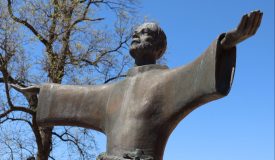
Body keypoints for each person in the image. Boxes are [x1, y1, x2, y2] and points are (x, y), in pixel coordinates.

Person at [11, 11, 262, 160]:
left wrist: (227, 42)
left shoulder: (168, 82)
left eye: (145, 34)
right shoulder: (110, 92)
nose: (136, 35)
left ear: (159, 48)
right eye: (135, 32)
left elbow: (203, 67)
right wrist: (41, 93)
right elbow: (74, 96)